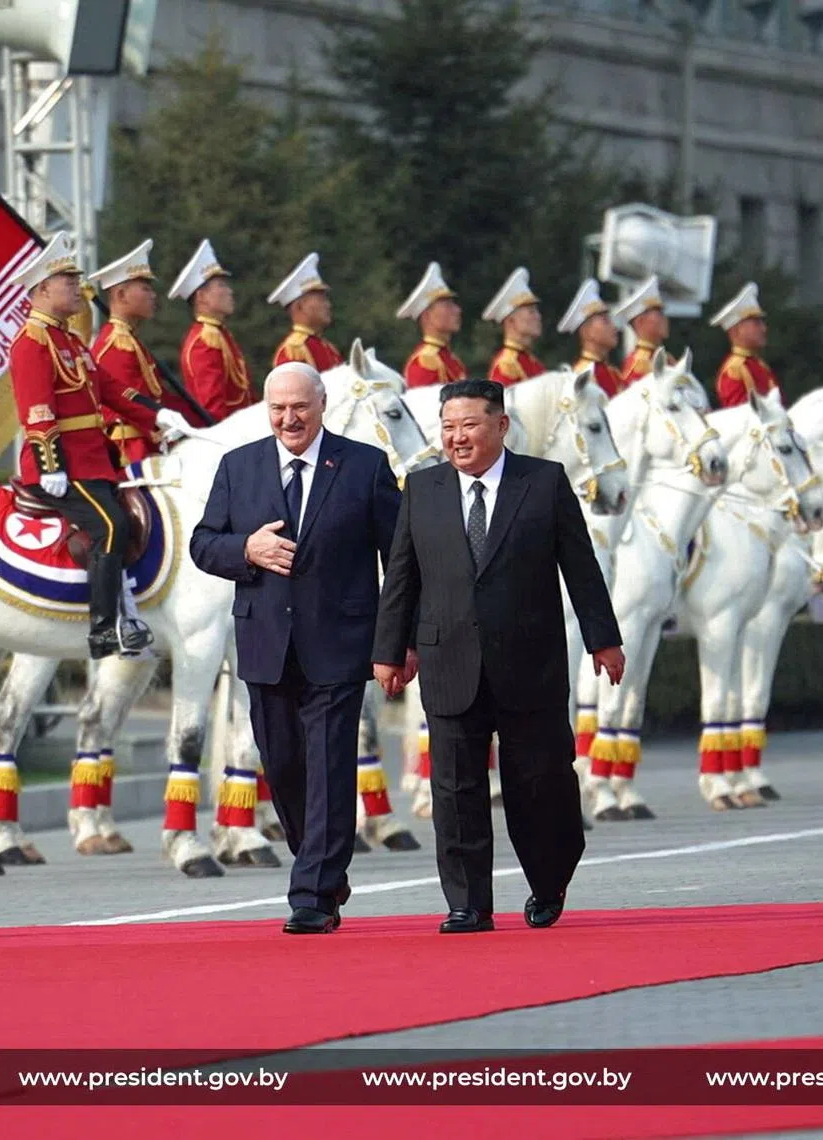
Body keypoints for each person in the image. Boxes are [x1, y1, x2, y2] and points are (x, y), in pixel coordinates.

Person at [372, 379, 625, 933]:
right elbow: (402, 579)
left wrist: (603, 638)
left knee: (541, 782)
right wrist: (390, 651)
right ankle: (468, 904)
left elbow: (581, 567)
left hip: (529, 662)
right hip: (448, 661)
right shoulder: (422, 489)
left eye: (469, 425)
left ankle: (549, 879)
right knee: (456, 789)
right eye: (448, 427)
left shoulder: (544, 482)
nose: (457, 438)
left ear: (501, 425)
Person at [190, 361, 402, 934]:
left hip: (339, 643)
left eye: (299, 407)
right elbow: (203, 544)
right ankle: (325, 869)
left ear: (322, 404)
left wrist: (397, 639)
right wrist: (246, 550)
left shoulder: (365, 466)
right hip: (264, 645)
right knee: (283, 766)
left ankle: (310, 894)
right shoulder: (240, 466)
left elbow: (399, 559)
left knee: (331, 766)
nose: (289, 419)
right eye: (278, 408)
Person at [8, 231, 188, 660]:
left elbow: (112, 390)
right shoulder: (32, 343)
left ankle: (131, 612)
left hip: (94, 460)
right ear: (42, 290)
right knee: (110, 527)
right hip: (64, 464)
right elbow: (37, 412)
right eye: (68, 281)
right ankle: (104, 630)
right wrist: (50, 465)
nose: (78, 287)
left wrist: (156, 414)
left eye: (75, 279)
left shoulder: (70, 341)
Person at [87, 239, 205, 464]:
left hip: (150, 443)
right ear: (121, 295)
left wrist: (200, 425)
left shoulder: (131, 341)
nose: (153, 295)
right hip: (132, 451)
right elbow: (131, 404)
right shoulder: (115, 346)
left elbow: (159, 396)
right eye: (145, 288)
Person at [170, 238, 255, 422]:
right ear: (202, 297)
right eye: (222, 285)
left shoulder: (221, 335)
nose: (230, 291)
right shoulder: (204, 340)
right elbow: (212, 407)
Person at [269, 252, 344, 372]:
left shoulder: (329, 348)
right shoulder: (294, 351)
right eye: (321, 300)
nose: (328, 305)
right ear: (299, 306)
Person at [711, 282, 781, 408]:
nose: (764, 328)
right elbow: (740, 418)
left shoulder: (760, 365)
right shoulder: (734, 370)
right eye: (756, 323)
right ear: (736, 330)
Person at [398, 262, 467, 388]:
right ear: (426, 315)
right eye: (447, 305)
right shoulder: (424, 363)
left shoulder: (453, 361)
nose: (457, 310)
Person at [558, 278, 626, 399]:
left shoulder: (614, 373)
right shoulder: (582, 375)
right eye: (605, 321)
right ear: (586, 332)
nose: (614, 327)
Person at [482, 267, 547, 384]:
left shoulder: (535, 364)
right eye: (531, 311)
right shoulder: (506, 365)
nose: (538, 316)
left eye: (537, 311)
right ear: (511, 320)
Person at [614, 275, 668, 384]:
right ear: (640, 321)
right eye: (659, 314)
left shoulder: (666, 358)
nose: (665, 319)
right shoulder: (639, 365)